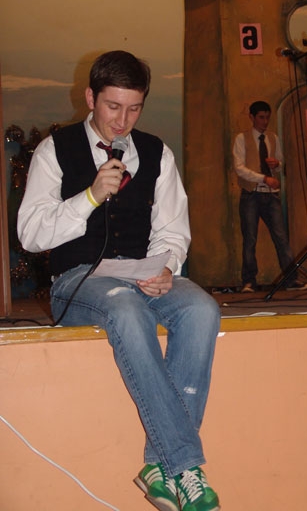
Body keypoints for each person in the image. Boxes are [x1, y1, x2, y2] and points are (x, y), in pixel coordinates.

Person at [17, 50, 221, 511]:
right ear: (91, 98)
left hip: (142, 272)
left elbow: (173, 229)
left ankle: (159, 466)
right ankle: (184, 466)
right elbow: (30, 235)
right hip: (78, 281)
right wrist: (89, 197)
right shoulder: (55, 150)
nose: (122, 121)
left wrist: (166, 267)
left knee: (200, 308)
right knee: (127, 309)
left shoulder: (156, 152)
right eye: (112, 107)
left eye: (134, 109)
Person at [233, 100, 307, 293]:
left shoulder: (273, 138)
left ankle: (291, 279)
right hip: (251, 195)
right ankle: (249, 281)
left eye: (267, 117)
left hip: (271, 196)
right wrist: (263, 178)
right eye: (261, 117)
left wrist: (277, 164)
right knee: (250, 239)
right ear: (252, 117)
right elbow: (239, 168)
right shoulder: (242, 139)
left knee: (281, 238)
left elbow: (281, 164)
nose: (265, 121)